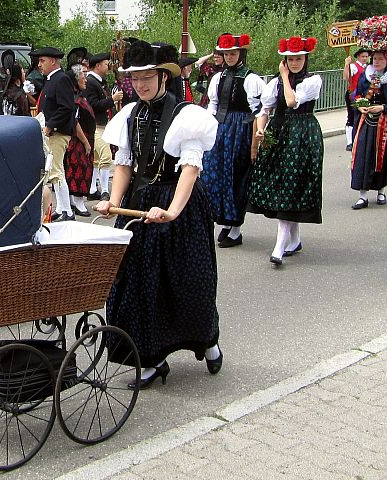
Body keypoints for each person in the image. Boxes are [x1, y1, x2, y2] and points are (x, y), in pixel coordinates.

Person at [95, 39, 221, 388]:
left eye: (148, 76)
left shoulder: (186, 116)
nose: (141, 84)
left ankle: (207, 340)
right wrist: (111, 200)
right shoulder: (129, 115)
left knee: (189, 281)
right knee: (136, 286)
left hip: (178, 208)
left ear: (163, 76)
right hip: (137, 207)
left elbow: (190, 170)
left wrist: (172, 211)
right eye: (135, 79)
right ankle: (150, 361)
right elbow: (124, 164)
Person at [248, 36, 323, 267]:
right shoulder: (274, 85)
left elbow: (291, 102)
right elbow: (264, 110)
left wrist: (283, 76)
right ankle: (295, 240)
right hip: (279, 133)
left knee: (294, 183)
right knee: (283, 185)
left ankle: (279, 247)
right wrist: (260, 130)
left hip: (303, 134)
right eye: (290, 60)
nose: (294, 63)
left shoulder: (313, 81)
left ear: (306, 59)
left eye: (298, 59)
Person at [202, 33, 264, 248]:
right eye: (226, 53)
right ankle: (225, 222)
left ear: (241, 54)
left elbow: (259, 110)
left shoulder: (251, 78)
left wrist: (256, 138)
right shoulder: (218, 77)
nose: (229, 57)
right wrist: (209, 127)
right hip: (221, 128)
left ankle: (236, 227)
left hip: (241, 130)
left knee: (236, 176)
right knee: (216, 175)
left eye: (233, 53)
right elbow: (213, 104)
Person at [349, 16, 387, 210]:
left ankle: (381, 190)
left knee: (384, 156)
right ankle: (363, 195)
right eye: (375, 59)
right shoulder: (366, 77)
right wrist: (361, 106)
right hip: (367, 122)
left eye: (381, 59)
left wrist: (383, 108)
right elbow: (357, 95)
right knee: (363, 156)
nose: (377, 61)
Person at [30, 47, 76, 222]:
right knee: (56, 170)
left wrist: (49, 127)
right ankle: (61, 208)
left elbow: (66, 108)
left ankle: (67, 211)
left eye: (42, 61)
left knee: (56, 171)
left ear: (53, 61)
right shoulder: (52, 79)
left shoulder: (61, 79)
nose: (39, 64)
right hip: (51, 132)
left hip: (57, 133)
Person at [85, 52, 123, 201]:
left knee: (97, 158)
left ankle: (93, 188)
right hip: (96, 126)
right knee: (106, 156)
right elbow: (92, 105)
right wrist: (111, 100)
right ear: (98, 65)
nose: (108, 67)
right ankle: (105, 190)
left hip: (101, 124)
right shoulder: (91, 82)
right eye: (106, 64)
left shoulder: (98, 82)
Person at [63, 65, 95, 217]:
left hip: (83, 139)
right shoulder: (74, 99)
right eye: (83, 77)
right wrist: (86, 142)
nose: (85, 80)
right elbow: (75, 122)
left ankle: (73, 202)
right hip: (78, 141)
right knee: (78, 169)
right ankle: (77, 202)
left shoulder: (79, 96)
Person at [343, 47, 371, 151]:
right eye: (363, 56)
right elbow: (346, 77)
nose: (365, 58)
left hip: (364, 95)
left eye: (366, 56)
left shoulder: (368, 67)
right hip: (352, 94)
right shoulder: (353, 66)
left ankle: (360, 139)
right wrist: (347, 65)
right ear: (358, 57)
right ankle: (349, 142)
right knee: (351, 116)